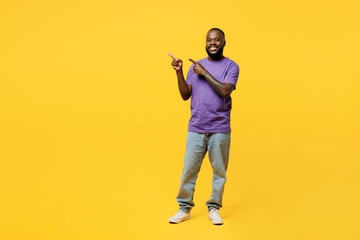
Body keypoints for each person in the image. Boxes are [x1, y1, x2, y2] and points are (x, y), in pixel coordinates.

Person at [168, 28, 240, 225]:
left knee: (219, 172)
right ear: (205, 42)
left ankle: (214, 208)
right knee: (189, 171)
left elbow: (225, 91)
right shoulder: (195, 66)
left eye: (217, 40)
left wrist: (205, 73)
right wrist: (180, 72)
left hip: (220, 129)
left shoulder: (231, 66)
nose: (212, 43)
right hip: (196, 127)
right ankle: (184, 209)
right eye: (209, 40)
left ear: (224, 42)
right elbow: (185, 95)